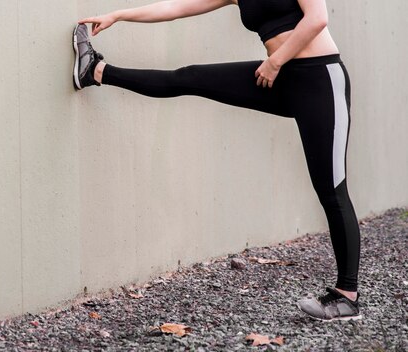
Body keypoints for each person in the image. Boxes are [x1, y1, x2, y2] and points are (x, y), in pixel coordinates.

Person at [73, 0, 362, 322]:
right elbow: (178, 7)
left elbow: (317, 20)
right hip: (280, 76)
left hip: (320, 80)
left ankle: (347, 297)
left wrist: (276, 61)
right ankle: (95, 72)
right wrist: (118, 15)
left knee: (332, 189)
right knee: (191, 77)